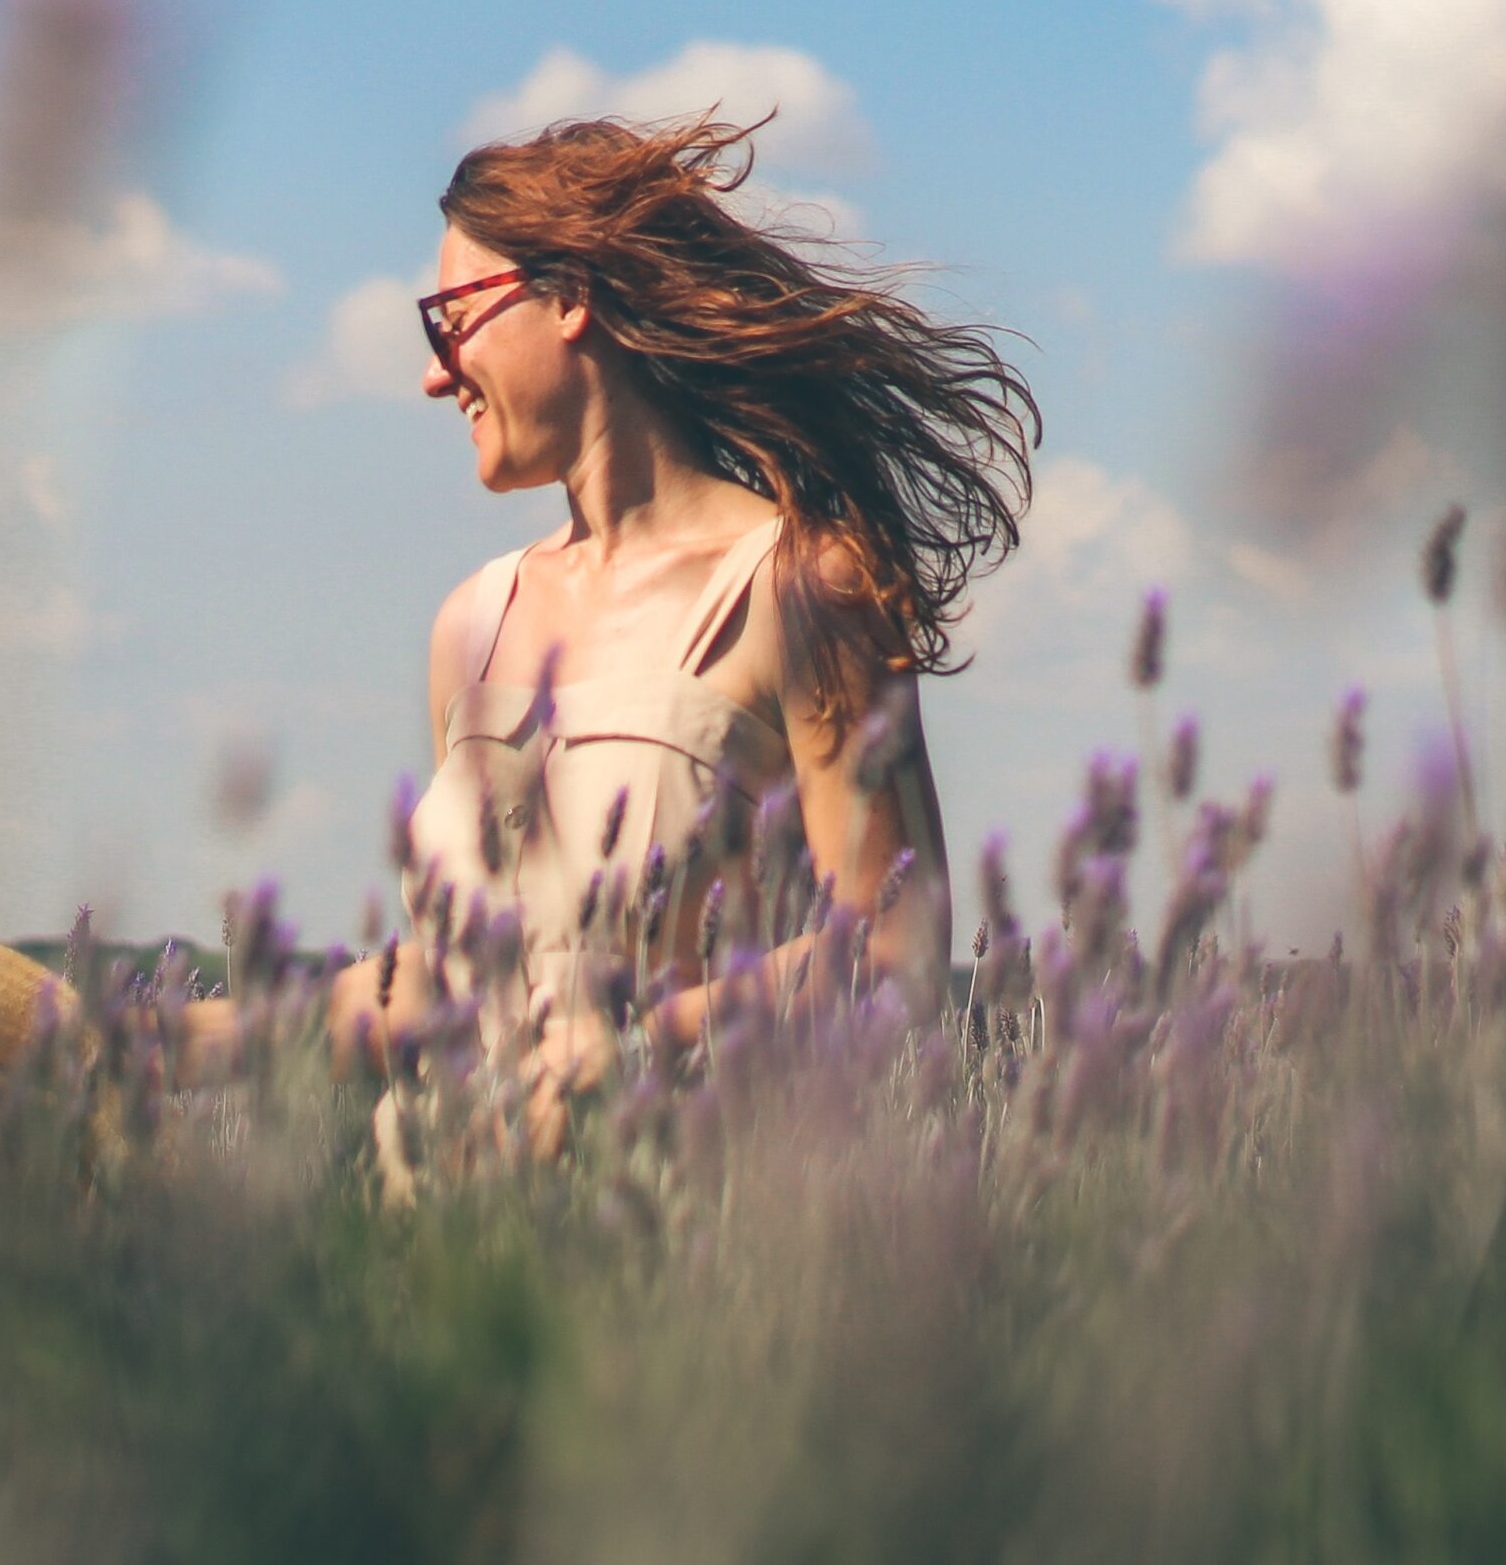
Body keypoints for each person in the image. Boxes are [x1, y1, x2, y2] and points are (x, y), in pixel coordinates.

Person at [317, 111, 1039, 1092]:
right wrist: (161, 1039)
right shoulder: (471, 629)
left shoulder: (800, 587)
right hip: (453, 1233)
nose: (435, 372)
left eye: (451, 318)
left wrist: (647, 1039)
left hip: (685, 1223)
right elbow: (453, 986)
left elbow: (893, 945)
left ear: (567, 296)